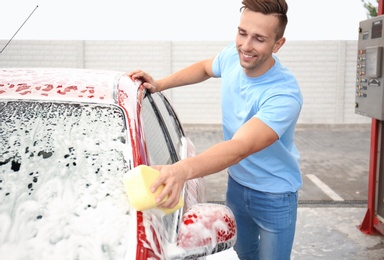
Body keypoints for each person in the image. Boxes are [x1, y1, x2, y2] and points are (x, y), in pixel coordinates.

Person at [129, 0, 302, 259]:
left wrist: (181, 170)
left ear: (278, 44)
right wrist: (161, 84)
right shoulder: (233, 57)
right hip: (237, 185)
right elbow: (204, 68)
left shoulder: (284, 95)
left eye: (259, 39)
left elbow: (239, 148)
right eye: (242, 33)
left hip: (275, 195)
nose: (246, 45)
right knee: (243, 254)